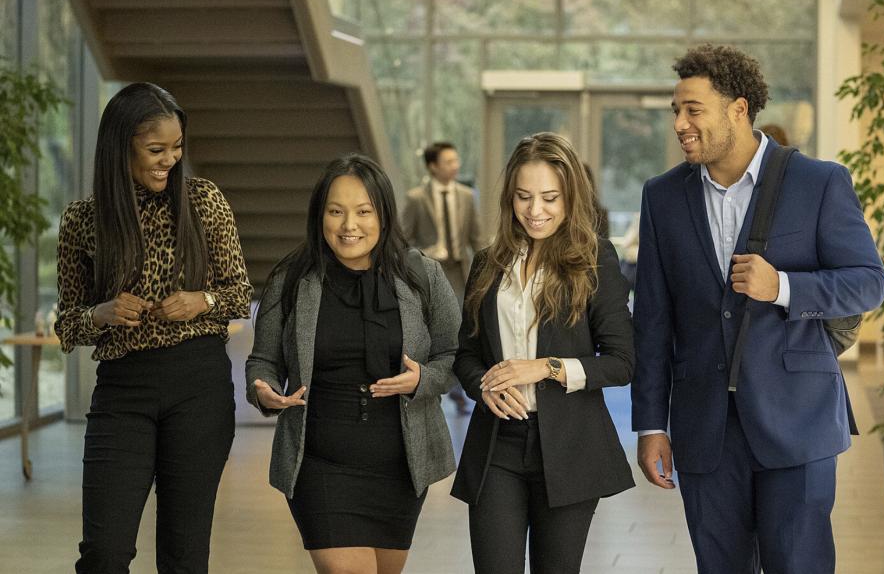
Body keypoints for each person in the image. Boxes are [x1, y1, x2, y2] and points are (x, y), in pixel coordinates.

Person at [631, 44, 884, 574]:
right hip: (705, 430)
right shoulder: (662, 196)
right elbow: (652, 319)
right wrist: (651, 423)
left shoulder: (819, 183)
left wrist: (784, 287)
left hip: (799, 421)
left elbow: (868, 283)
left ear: (738, 109)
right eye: (675, 111)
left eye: (692, 110)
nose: (679, 123)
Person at [55, 82, 253, 573]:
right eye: (156, 149)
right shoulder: (83, 220)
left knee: (184, 557)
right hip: (122, 391)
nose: (170, 159)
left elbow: (238, 295)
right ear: (120, 146)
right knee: (104, 553)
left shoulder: (204, 201)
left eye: (177, 148)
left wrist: (199, 301)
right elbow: (66, 325)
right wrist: (98, 314)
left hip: (198, 386)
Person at [245, 154, 461, 574]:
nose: (349, 226)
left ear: (383, 214)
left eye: (364, 212)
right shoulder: (292, 277)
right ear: (319, 215)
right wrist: (264, 389)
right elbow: (263, 360)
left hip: (400, 465)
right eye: (336, 211)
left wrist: (423, 380)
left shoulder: (422, 275)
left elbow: (455, 356)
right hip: (319, 461)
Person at [451, 132, 635, 574]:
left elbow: (623, 361)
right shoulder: (487, 262)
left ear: (570, 196)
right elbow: (466, 353)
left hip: (569, 445)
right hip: (497, 444)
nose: (535, 211)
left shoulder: (596, 260)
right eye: (524, 197)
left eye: (550, 198)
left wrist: (546, 368)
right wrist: (482, 387)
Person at [402, 141, 485, 414]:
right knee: (428, 333)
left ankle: (457, 390)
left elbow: (477, 238)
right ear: (433, 166)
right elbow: (404, 241)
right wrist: (424, 252)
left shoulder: (466, 195)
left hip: (459, 274)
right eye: (448, 161)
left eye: (456, 160)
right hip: (427, 276)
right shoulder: (416, 198)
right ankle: (429, 384)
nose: (455, 166)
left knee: (458, 333)